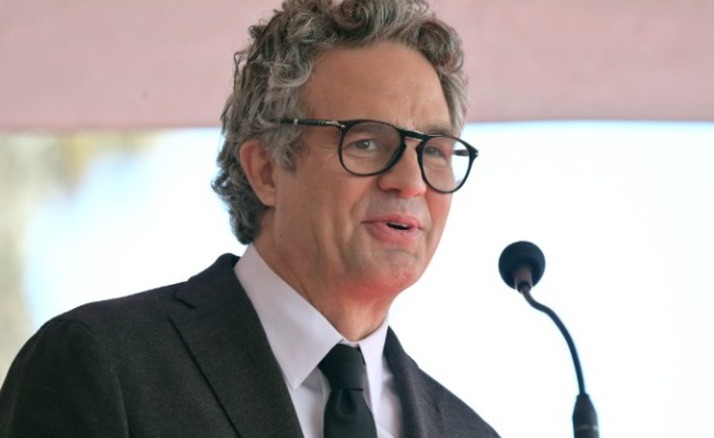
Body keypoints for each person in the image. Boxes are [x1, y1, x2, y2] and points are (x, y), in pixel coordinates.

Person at [0, 0, 497, 436]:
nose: (410, 181)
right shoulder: (103, 365)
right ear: (266, 170)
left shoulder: (469, 432)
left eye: (434, 150)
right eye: (366, 142)